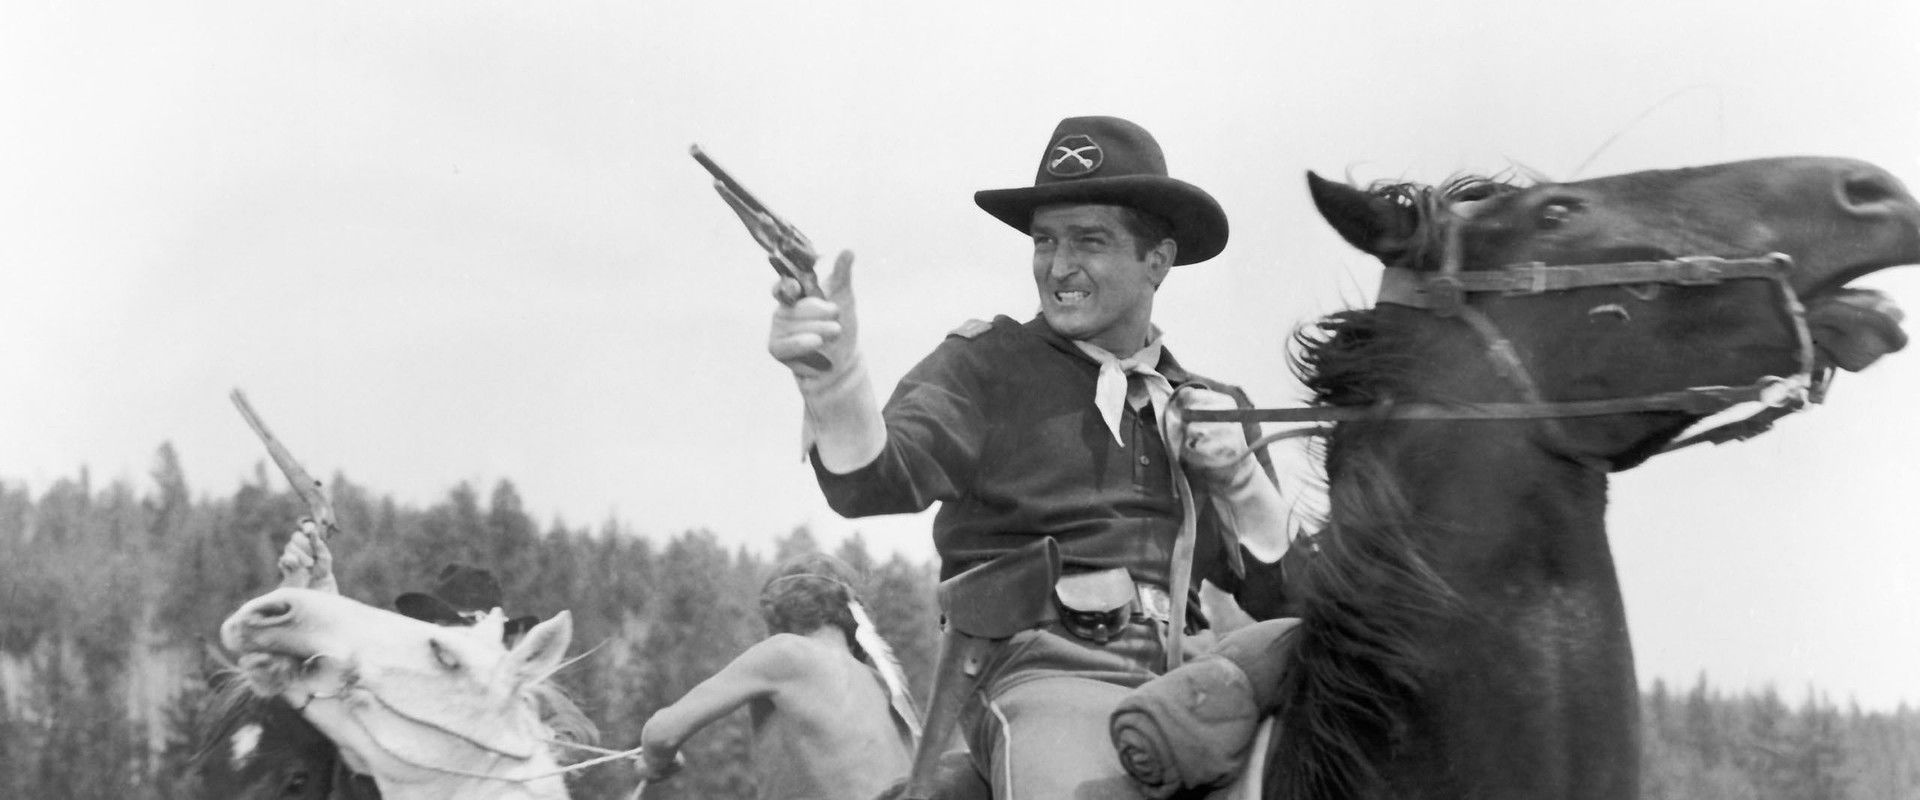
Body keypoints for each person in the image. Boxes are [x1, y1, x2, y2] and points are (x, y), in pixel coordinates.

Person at [765, 115, 1290, 798]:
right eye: (1045, 240)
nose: (1059, 265)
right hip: (1047, 676)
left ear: (1155, 261)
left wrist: (1243, 481)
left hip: (1196, 683)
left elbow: (1293, 601)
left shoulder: (1215, 405)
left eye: (1089, 242)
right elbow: (873, 481)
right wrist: (832, 382)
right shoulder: (986, 365)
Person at [637, 554, 917, 800]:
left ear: (777, 614)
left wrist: (656, 761)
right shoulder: (883, 684)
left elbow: (660, 733)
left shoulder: (785, 653)